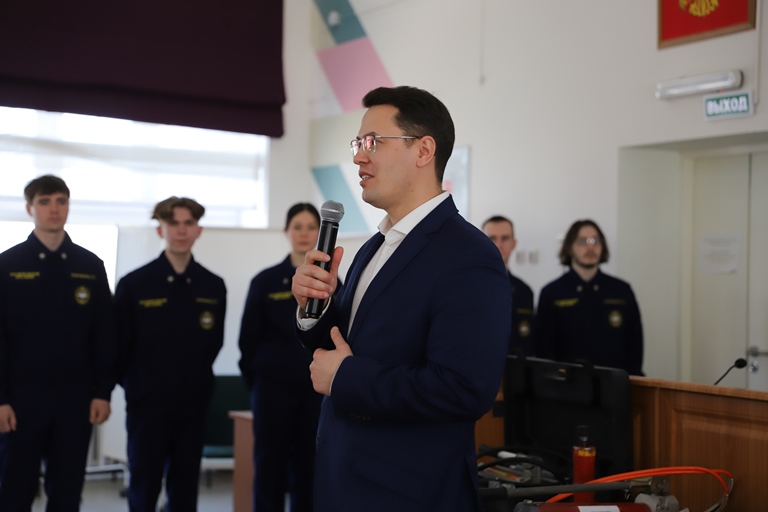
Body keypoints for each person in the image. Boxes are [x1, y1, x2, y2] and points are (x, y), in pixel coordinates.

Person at [291, 86, 512, 512]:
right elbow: (345, 348)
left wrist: (346, 378)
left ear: (423, 151)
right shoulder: (374, 247)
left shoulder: (469, 255)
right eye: (357, 143)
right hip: (345, 478)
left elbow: (463, 389)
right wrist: (313, 308)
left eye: (373, 142)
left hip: (407, 491)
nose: (359, 156)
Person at [0, 174, 117, 510]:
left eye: (61, 201)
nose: (54, 209)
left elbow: (105, 334)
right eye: (44, 202)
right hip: (20, 402)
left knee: (67, 492)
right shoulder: (7, 265)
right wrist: (1, 398)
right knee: (14, 490)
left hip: (75, 401)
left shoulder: (89, 266)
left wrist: (102, 392)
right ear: (29, 208)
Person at [115, 196, 226, 511]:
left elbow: (213, 344)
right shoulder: (134, 284)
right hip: (147, 406)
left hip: (192, 405)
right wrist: (140, 389)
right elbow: (119, 348)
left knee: (185, 490)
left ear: (198, 230)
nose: (181, 230)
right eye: (173, 223)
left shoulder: (212, 285)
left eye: (188, 223)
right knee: (144, 487)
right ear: (160, 229)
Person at [238, 203, 325, 512]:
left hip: (314, 394)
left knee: (309, 470)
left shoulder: (329, 282)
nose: (304, 234)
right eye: (297, 227)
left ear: (320, 233)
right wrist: (261, 383)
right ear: (286, 232)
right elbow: (248, 341)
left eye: (311, 227)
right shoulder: (265, 281)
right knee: (269, 469)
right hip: (272, 392)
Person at [535, 219, 643, 375]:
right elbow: (544, 350)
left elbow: (635, 346)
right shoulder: (551, 293)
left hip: (614, 384)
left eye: (595, 241)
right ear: (570, 247)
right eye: (582, 241)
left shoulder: (621, 291)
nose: (590, 247)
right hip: (567, 384)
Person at [482, 215, 535, 356]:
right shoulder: (467, 288)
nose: (499, 245)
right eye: (492, 238)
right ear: (481, 242)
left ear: (514, 243)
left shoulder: (524, 291)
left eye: (505, 238)